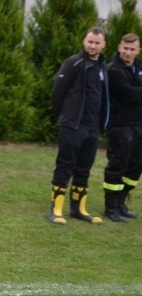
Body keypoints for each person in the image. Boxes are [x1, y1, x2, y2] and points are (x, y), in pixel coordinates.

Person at [48, 26, 109, 225]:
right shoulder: (74, 63)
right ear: (84, 41)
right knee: (65, 165)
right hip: (72, 125)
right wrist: (65, 116)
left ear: (103, 45)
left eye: (97, 43)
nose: (93, 46)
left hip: (92, 128)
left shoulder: (102, 67)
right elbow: (58, 92)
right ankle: (56, 209)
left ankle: (78, 209)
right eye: (90, 42)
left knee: (84, 168)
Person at [102, 33, 142, 222]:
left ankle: (121, 202)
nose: (128, 52)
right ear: (119, 48)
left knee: (135, 166)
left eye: (132, 49)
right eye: (125, 48)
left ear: (138, 50)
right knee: (118, 164)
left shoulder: (139, 66)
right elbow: (128, 95)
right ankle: (110, 208)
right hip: (120, 125)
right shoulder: (113, 70)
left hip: (138, 124)